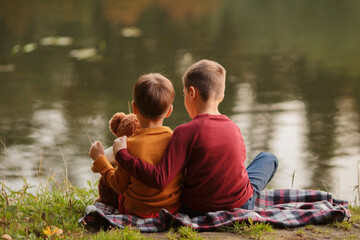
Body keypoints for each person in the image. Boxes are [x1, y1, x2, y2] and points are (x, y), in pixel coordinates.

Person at [114, 59, 279, 217]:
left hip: (196, 209)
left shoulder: (184, 132)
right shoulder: (234, 128)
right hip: (239, 205)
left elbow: (161, 178)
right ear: (220, 97)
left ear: (191, 93)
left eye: (184, 93)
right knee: (268, 158)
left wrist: (123, 156)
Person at [89, 73, 183, 218]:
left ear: (134, 107)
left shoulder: (128, 146)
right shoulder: (175, 139)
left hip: (137, 212)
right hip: (171, 209)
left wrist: (100, 159)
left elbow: (118, 185)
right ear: (169, 111)